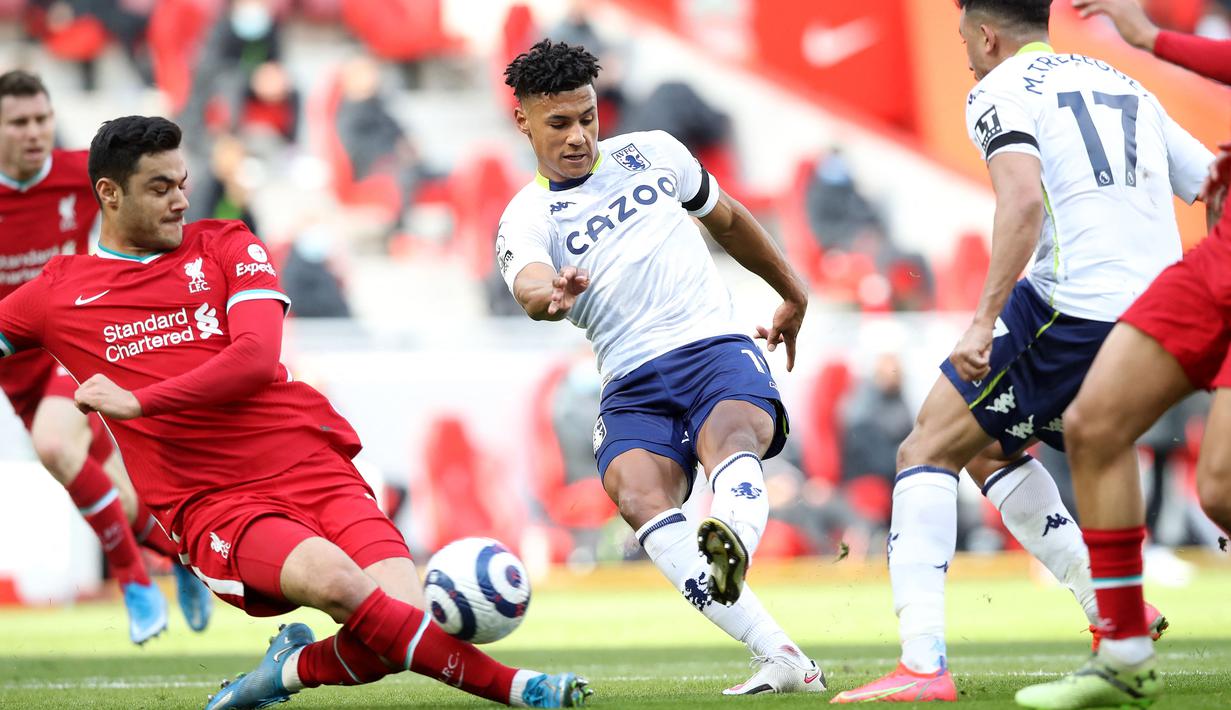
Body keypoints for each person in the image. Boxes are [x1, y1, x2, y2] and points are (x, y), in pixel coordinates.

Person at [0, 114, 591, 710]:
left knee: (397, 622)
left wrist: (139, 401)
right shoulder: (60, 291)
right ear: (109, 193)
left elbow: (256, 358)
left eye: (182, 182)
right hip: (214, 500)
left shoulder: (227, 242)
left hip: (309, 460)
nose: (181, 200)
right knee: (341, 584)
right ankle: (520, 687)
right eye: (160, 188)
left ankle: (283, 674)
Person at [831, 0, 1214, 703]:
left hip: (1069, 306)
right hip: (1157, 308)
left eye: (962, 42)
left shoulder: (998, 89)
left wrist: (981, 321)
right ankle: (1115, 613)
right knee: (986, 447)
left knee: (924, 450)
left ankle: (922, 666)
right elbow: (1211, 184)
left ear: (984, 34)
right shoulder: (1122, 82)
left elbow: (1020, 203)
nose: (965, 55)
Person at [497, 39, 823, 695]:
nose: (577, 136)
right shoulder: (523, 217)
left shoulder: (653, 153)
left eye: (586, 117)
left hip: (711, 345)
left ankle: (729, 535)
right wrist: (550, 295)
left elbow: (727, 221)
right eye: (558, 123)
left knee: (731, 436)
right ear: (524, 122)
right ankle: (783, 657)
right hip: (629, 381)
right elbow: (530, 284)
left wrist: (791, 291)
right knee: (636, 495)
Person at [1015, 1, 1231, 707]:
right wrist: (1145, 37)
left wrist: (1149, 38)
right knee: (1093, 423)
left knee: (1220, 489)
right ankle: (1124, 651)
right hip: (1217, 256)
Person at [0, 69, 211, 643]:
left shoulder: (80, 175)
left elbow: (139, 217)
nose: (34, 132)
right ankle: (180, 555)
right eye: (18, 122)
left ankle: (134, 582)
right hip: (13, 363)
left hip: (71, 342)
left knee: (52, 444)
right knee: (113, 488)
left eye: (41, 118)